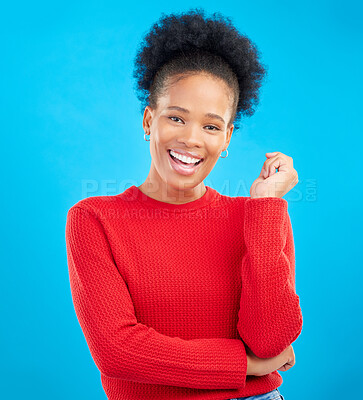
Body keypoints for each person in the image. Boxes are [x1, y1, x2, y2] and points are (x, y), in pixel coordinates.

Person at [65, 8, 302, 400]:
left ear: (226, 139)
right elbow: (117, 352)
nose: (192, 139)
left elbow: (271, 339)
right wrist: (246, 366)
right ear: (148, 120)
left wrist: (265, 208)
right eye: (176, 118)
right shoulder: (94, 219)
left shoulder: (259, 216)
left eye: (211, 126)